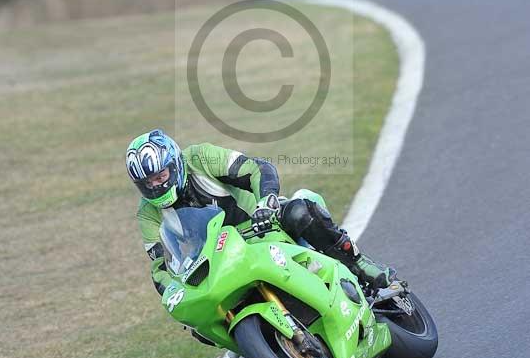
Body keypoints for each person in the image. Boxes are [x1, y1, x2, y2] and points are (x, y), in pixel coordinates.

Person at [126, 129, 396, 301]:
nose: (156, 186)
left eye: (160, 176)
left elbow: (257, 168)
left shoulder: (201, 157)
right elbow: (161, 267)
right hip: (220, 261)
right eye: (147, 183)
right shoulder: (148, 214)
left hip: (261, 226)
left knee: (300, 212)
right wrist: (174, 293)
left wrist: (265, 202)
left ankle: (359, 265)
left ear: (175, 164)